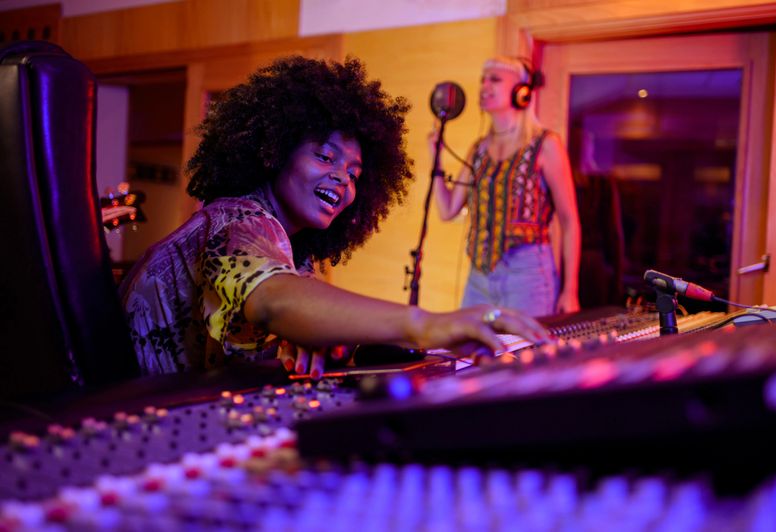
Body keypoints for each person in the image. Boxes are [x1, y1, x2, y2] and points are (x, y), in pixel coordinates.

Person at [120, 55, 548, 379]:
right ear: (276, 151)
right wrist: (427, 324)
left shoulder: (290, 254)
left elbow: (297, 308)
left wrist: (315, 336)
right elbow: (275, 301)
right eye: (325, 156)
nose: (341, 178)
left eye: (354, 172)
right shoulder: (236, 219)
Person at [432, 56, 581, 317]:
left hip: (529, 276)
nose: (484, 86)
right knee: (472, 353)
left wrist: (570, 290)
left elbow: (569, 222)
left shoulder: (546, 144)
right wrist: (436, 160)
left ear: (521, 93)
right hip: (478, 275)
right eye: (483, 80)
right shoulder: (477, 149)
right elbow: (447, 210)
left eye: (495, 79)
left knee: (526, 355)